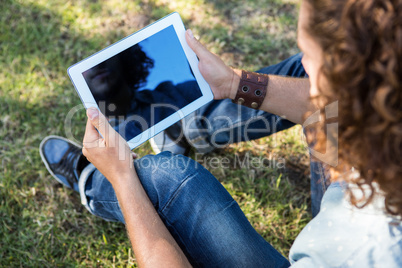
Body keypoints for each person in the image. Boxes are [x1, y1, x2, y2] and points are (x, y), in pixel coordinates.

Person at [39, 0, 402, 267]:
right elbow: (330, 102)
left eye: (309, 53)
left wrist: (120, 176)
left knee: (166, 176)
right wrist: (232, 82)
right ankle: (186, 127)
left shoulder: (354, 249)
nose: (306, 61)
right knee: (305, 82)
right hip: (363, 195)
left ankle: (93, 182)